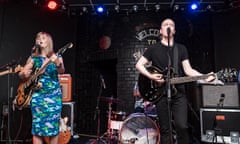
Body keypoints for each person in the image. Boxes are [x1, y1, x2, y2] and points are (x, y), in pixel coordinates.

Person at [135, 18, 215, 144]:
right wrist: (150, 76)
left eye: (171, 25)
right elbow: (139, 65)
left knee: (182, 126)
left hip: (179, 94)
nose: (168, 26)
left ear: (174, 30)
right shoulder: (153, 49)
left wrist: (204, 76)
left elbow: (188, 70)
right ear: (161, 31)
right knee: (165, 130)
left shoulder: (181, 49)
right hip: (160, 95)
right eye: (165, 25)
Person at [18, 31, 65, 144]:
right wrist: (23, 74)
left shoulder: (57, 56)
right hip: (38, 97)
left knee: (54, 129)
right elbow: (22, 74)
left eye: (43, 38)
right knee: (37, 129)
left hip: (54, 96)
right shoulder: (33, 58)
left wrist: (57, 62)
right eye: (38, 37)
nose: (40, 39)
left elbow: (62, 70)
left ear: (48, 41)